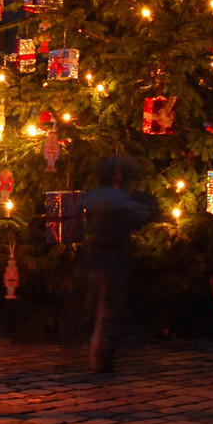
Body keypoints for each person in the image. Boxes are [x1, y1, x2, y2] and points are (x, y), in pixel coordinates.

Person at [79, 156, 156, 373]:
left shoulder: (97, 197)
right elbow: (138, 215)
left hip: (96, 256)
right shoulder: (118, 201)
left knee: (98, 306)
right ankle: (101, 356)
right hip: (111, 257)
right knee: (110, 308)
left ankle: (96, 350)